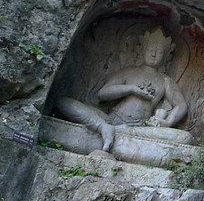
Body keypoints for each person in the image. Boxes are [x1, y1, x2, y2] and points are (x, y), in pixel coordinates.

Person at [55, 28, 191, 152]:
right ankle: (102, 127)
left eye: (159, 51)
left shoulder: (165, 81)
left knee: (185, 138)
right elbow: (103, 93)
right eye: (150, 49)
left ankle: (113, 132)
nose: (154, 54)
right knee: (63, 102)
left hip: (138, 128)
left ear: (166, 56)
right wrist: (131, 89)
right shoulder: (129, 72)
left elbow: (181, 105)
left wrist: (166, 122)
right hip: (111, 119)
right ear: (142, 50)